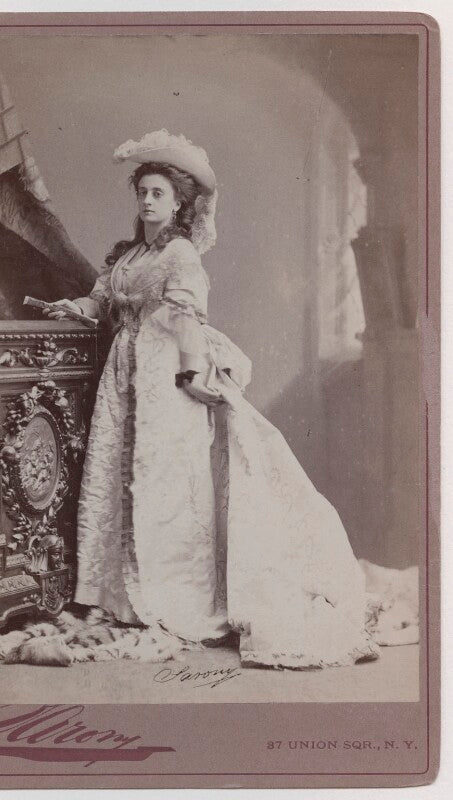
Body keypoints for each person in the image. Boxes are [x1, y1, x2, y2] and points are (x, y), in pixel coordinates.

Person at [45, 130, 380, 669]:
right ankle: (122, 598)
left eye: (158, 193)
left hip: (164, 373)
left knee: (164, 480)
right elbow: (101, 298)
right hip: (124, 374)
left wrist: (189, 375)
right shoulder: (131, 255)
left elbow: (185, 319)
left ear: (178, 203)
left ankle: (173, 596)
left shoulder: (180, 254)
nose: (148, 201)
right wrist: (75, 307)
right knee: (118, 474)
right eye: (142, 193)